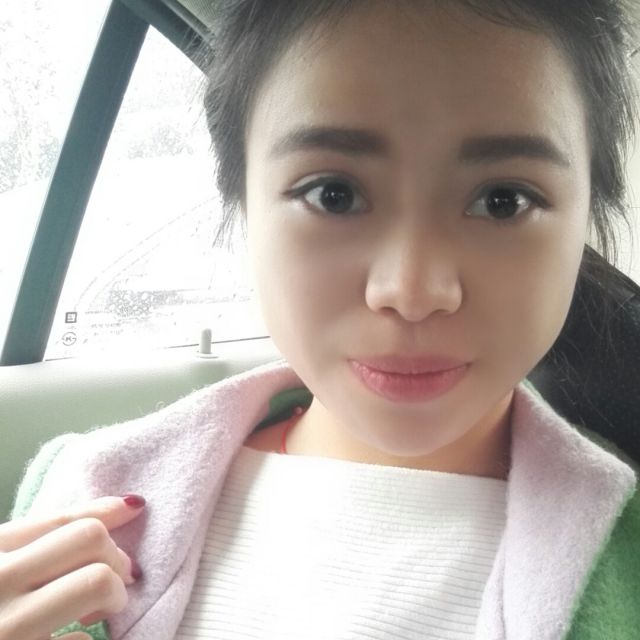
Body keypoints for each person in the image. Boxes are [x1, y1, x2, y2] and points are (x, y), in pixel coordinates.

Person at [2, 1, 638, 638]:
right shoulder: (80, 501)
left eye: (503, 201)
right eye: (334, 194)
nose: (412, 292)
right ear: (242, 201)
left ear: (587, 216)